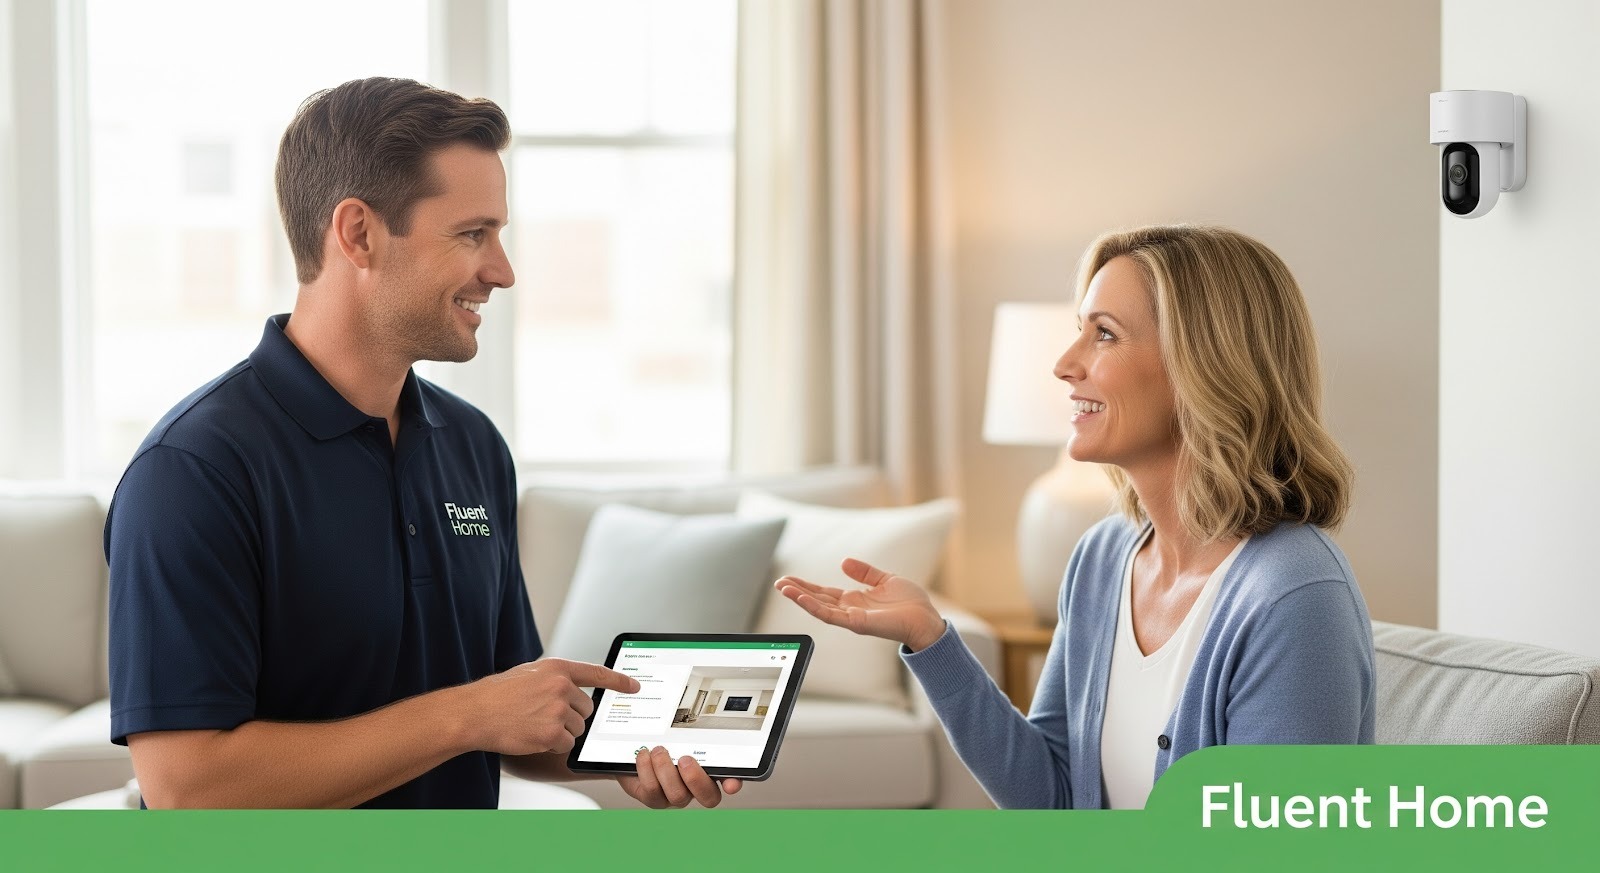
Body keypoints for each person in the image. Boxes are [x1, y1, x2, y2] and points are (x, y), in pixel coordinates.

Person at [105, 77, 739, 810]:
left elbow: (507, 710)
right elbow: (189, 787)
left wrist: (622, 749)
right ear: (359, 234)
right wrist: (465, 713)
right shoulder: (193, 472)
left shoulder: (472, 446)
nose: (502, 271)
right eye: (473, 234)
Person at [776, 224, 1375, 809]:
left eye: (1105, 334)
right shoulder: (1103, 557)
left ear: (1204, 366)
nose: (1065, 363)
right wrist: (931, 640)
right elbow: (1053, 795)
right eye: (1079, 331)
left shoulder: (1294, 593)